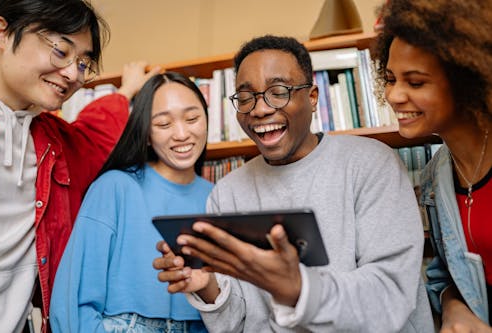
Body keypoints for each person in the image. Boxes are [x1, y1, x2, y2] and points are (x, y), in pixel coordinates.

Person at [153, 35, 434, 332]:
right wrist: (207, 285)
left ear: (312, 97)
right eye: (246, 97)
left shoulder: (372, 164)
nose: (259, 109)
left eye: (278, 92)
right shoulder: (227, 193)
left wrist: (299, 288)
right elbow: (237, 323)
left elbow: (389, 296)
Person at [0, 1, 159, 332]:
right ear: (2, 32)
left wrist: (125, 91)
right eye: (60, 51)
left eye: (83, 63)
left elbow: (95, 135)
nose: (73, 74)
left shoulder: (54, 144)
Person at [50, 71, 213, 333]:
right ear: (146, 134)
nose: (182, 134)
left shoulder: (218, 196)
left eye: (192, 118)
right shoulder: (115, 186)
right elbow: (74, 300)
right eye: (163, 124)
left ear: (207, 120)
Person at [373, 0, 492, 331]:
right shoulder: (435, 178)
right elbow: (446, 272)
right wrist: (453, 305)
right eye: (391, 78)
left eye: (415, 82)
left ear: (467, 80)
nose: (394, 95)